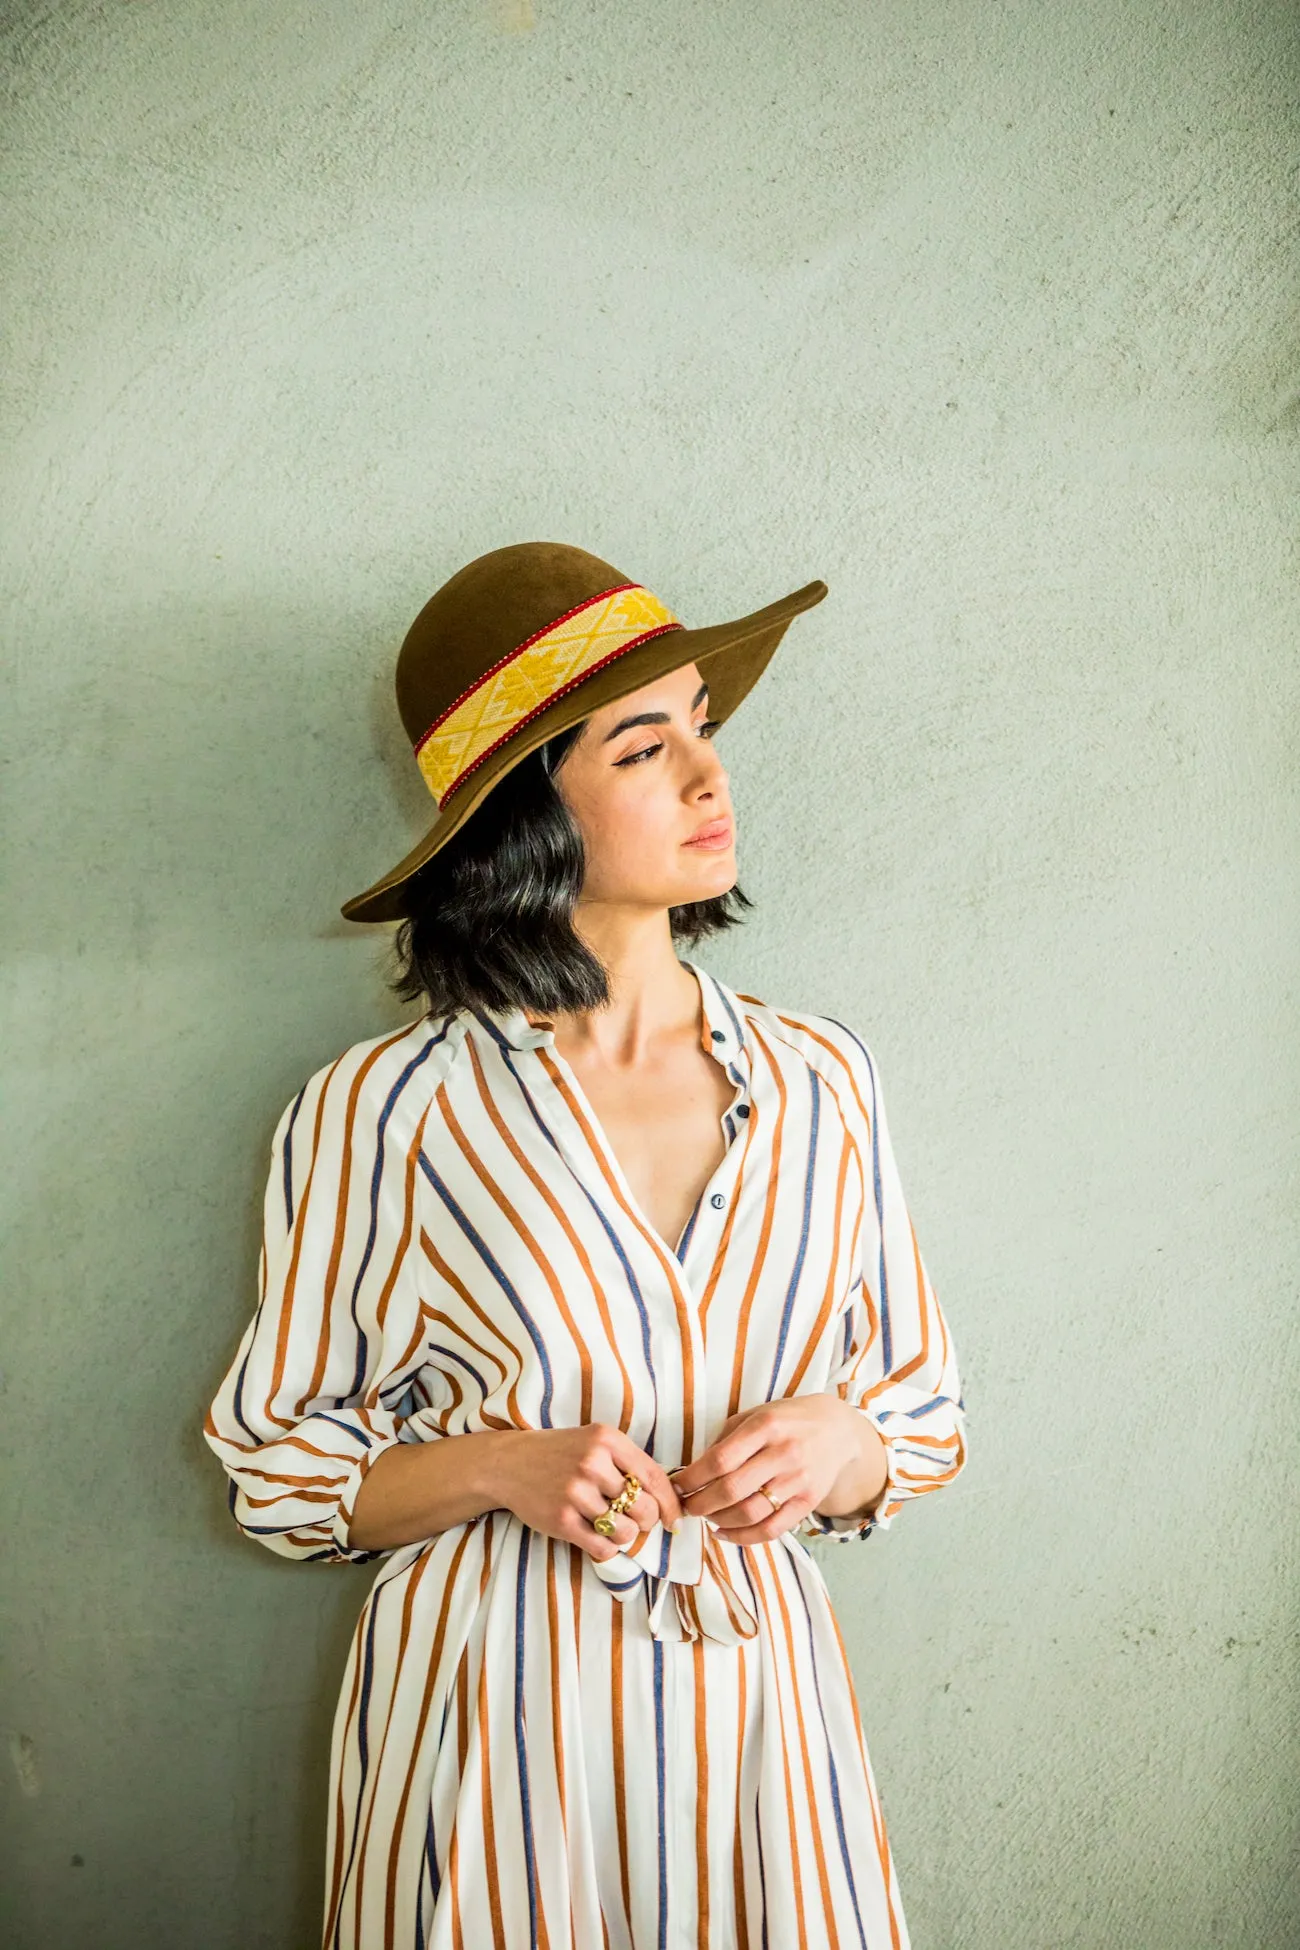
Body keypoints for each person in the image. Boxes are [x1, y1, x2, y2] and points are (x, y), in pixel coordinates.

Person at [204, 540, 968, 1950]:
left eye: (705, 726)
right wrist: (506, 1460)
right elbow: (280, 1464)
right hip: (497, 1715)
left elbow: (918, 1416)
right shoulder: (386, 1109)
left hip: (757, 1721)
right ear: (525, 811)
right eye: (642, 744)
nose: (707, 774)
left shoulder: (819, 1079)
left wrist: (828, 1441)